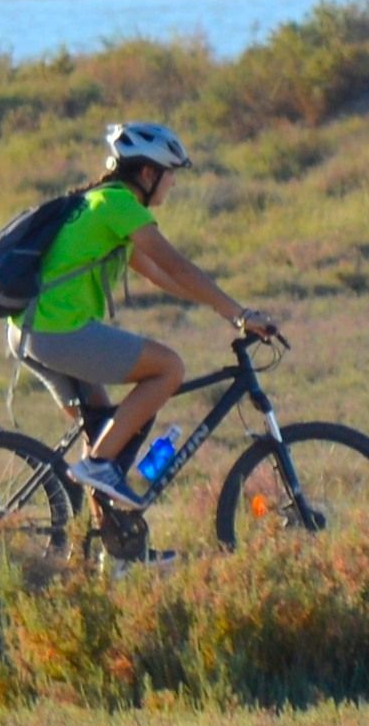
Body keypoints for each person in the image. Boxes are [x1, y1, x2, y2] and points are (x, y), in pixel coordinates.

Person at [16, 118, 278, 508]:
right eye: (170, 175)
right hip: (57, 331)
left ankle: (115, 550)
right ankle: (99, 464)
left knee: (107, 430)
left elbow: (158, 274)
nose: (173, 183)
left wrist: (218, 306)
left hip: (32, 329)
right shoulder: (118, 204)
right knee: (168, 368)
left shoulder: (100, 202)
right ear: (148, 172)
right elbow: (177, 266)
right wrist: (238, 314)